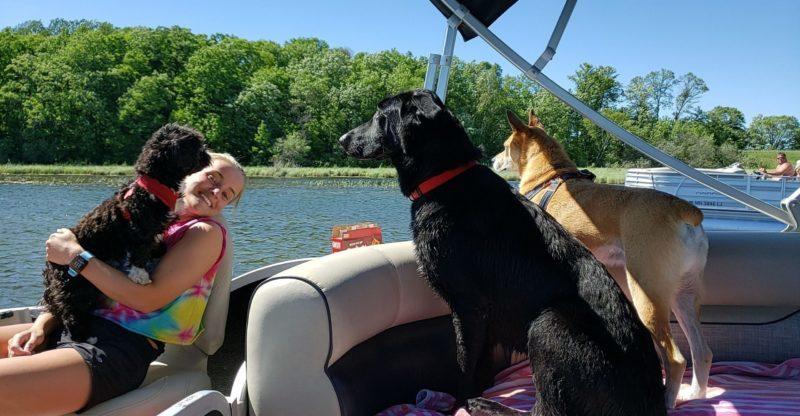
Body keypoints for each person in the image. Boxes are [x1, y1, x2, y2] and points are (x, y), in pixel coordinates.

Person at [0, 151, 245, 415]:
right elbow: (81, 285)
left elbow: (147, 300)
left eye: (227, 194)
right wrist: (42, 324)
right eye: (213, 177)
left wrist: (74, 256)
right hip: (73, 322)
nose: (217, 191)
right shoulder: (141, 214)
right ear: (188, 172)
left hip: (117, 348)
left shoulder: (204, 233)